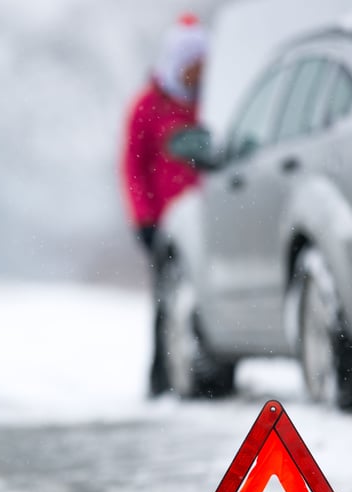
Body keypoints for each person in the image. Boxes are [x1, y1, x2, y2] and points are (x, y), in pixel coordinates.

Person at [121, 13, 207, 397]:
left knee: (203, 294)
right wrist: (144, 220)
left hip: (207, 220)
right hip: (166, 223)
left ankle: (206, 374)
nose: (196, 74)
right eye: (191, 66)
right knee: (166, 299)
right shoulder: (147, 107)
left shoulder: (209, 102)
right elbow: (133, 167)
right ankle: (162, 378)